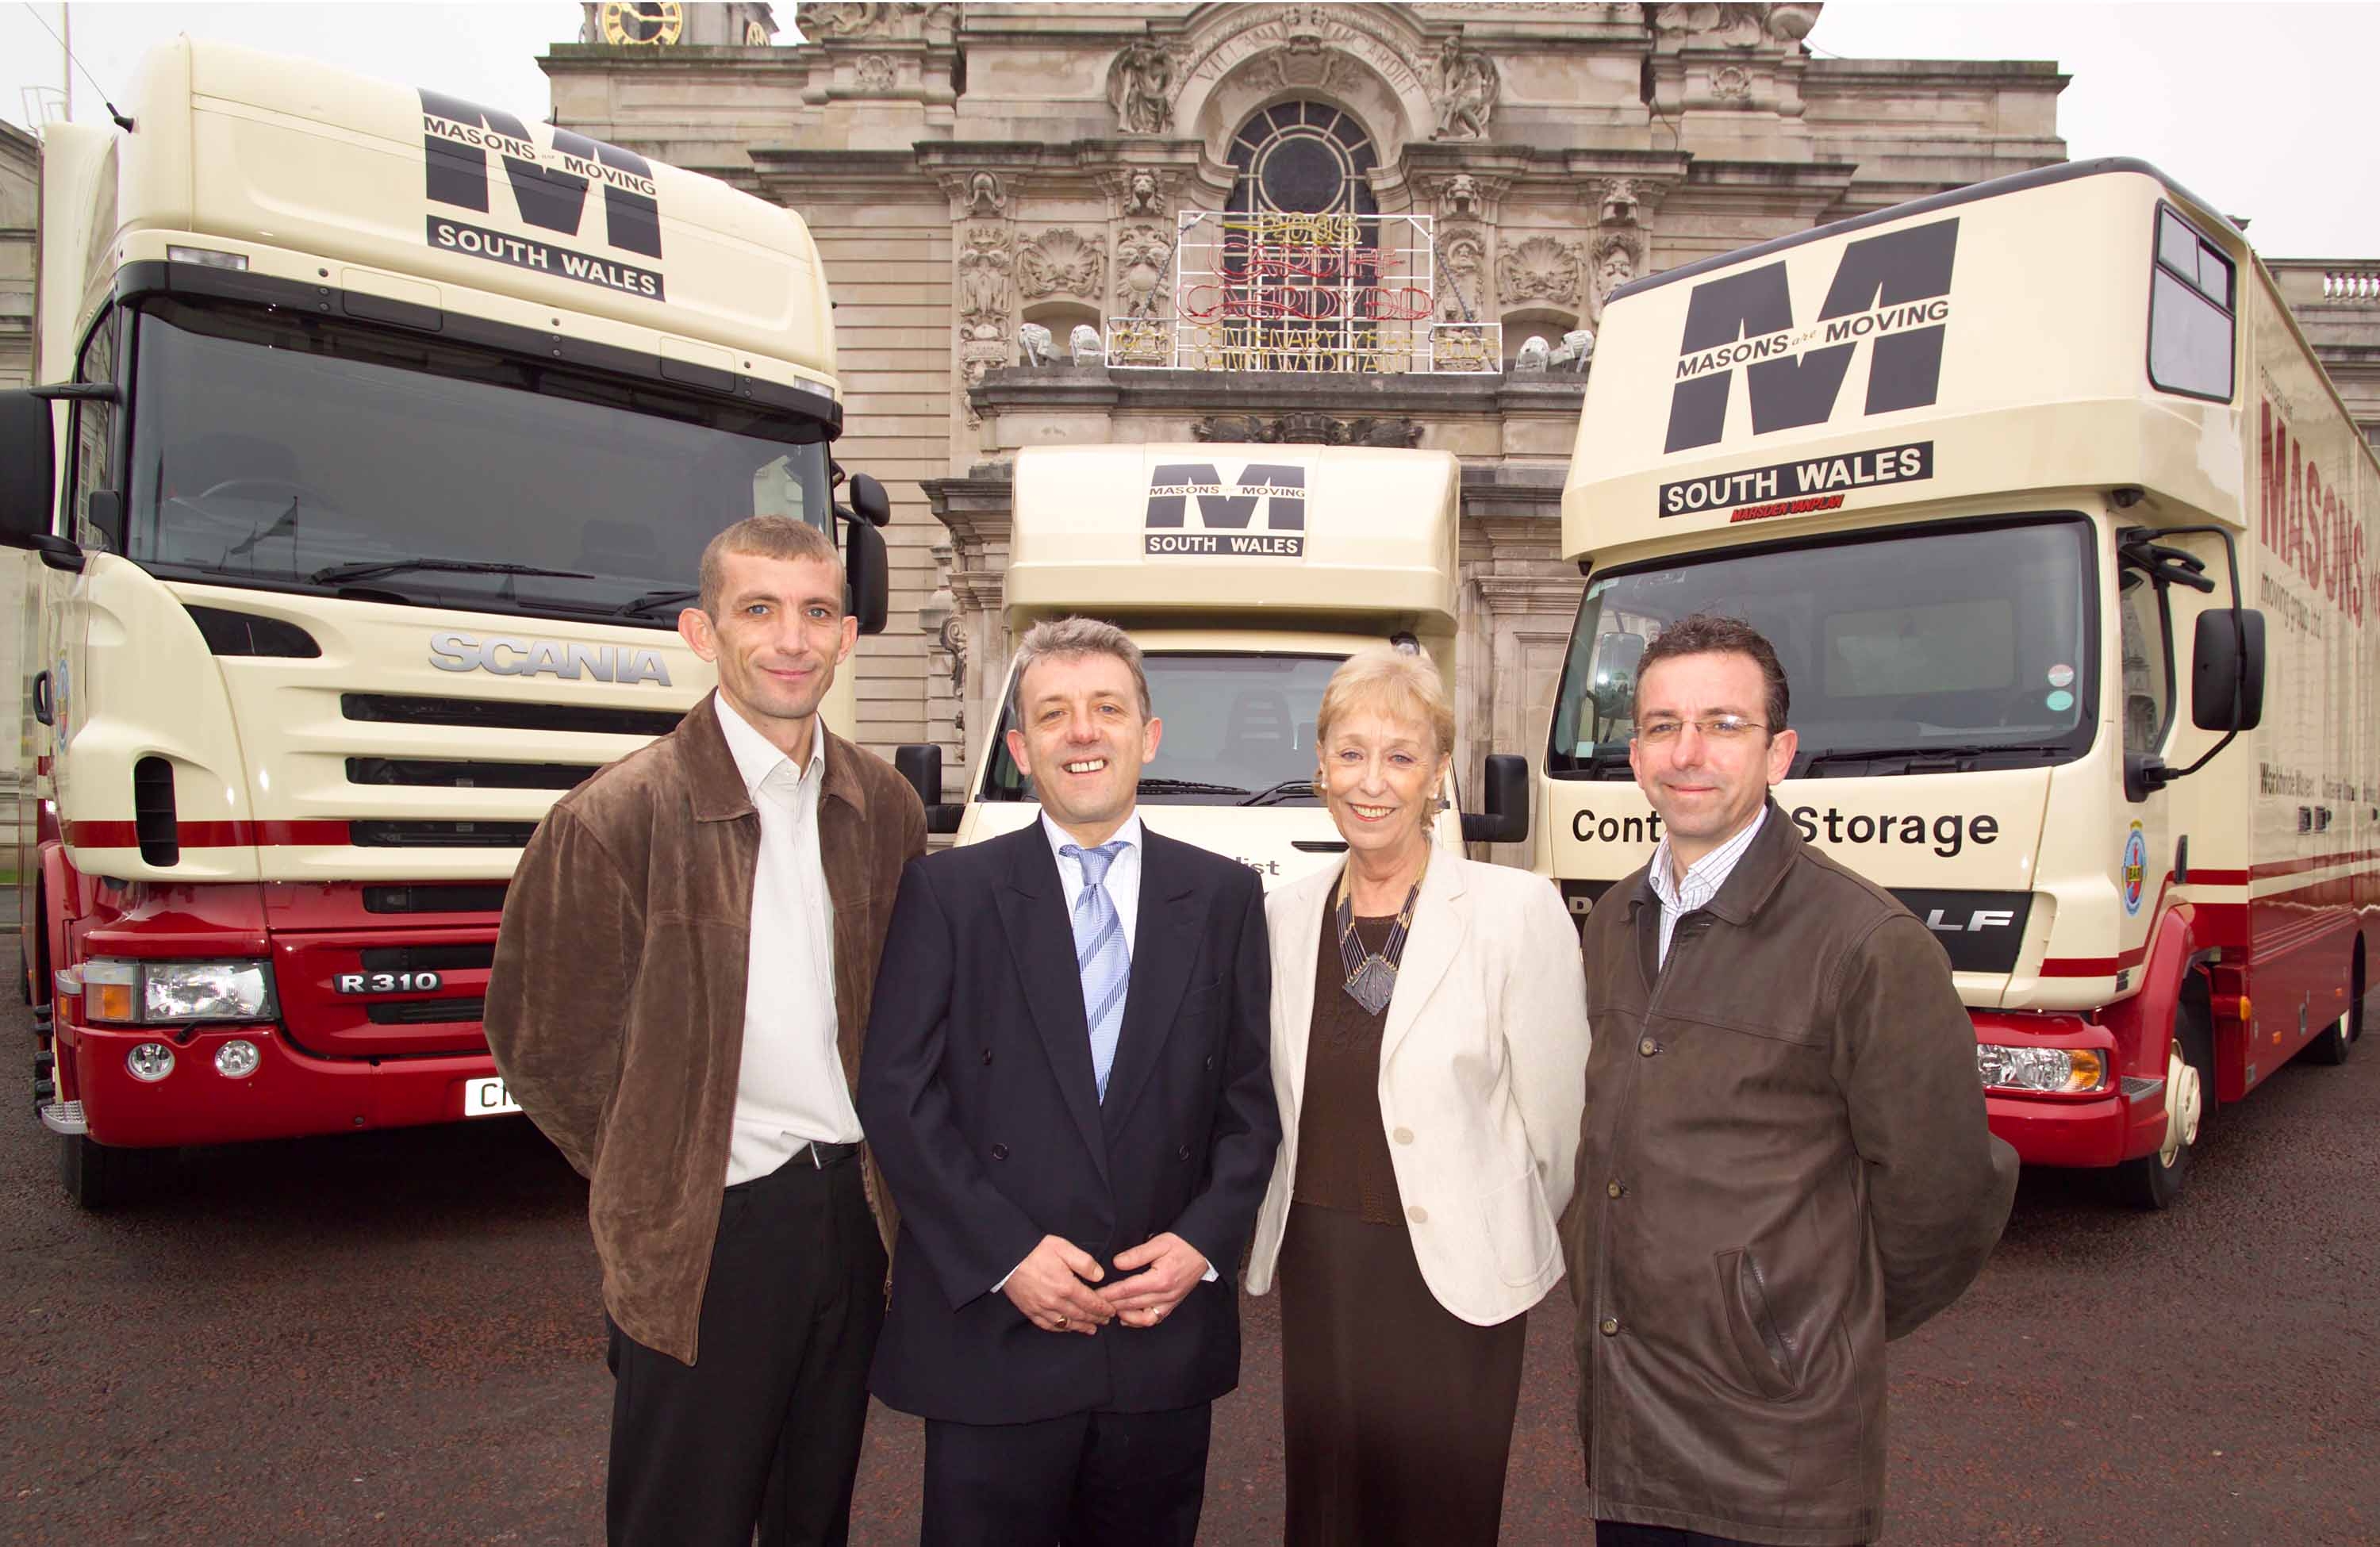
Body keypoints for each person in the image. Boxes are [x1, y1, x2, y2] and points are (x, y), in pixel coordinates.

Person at [483, 515, 927, 1547]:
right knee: (685, 1519)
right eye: (758, 609)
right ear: (701, 630)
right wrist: (663, 1164)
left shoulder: (886, 808)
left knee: (812, 1514)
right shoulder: (616, 816)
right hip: (706, 1230)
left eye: (816, 611)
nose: (791, 637)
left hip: (852, 1219)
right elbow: (539, 1041)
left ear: (847, 635)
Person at [1562, 612, 2019, 1547]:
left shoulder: (1865, 944)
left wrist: (1792, 1325)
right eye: (1661, 726)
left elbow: (1944, 1196)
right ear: (1638, 757)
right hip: (1628, 1436)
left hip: (1778, 1454)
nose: (1689, 752)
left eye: (1724, 725)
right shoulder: (1612, 921)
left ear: (1780, 755)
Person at [858, 616, 1279, 1547]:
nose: (1082, 733)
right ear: (1020, 747)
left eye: (1106, 709)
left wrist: (1201, 1245)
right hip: (993, 1334)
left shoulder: (1221, 898)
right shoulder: (948, 893)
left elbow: (1251, 1105)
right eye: (1054, 714)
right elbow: (897, 1093)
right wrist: (1007, 1255)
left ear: (1149, 734)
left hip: (1155, 1327)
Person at [1245, 646, 1591, 1545]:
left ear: (1439, 773)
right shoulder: (1283, 916)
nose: (1372, 782)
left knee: (1439, 1513)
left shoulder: (1518, 911)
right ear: (1319, 765)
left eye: (1400, 756)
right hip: (1323, 1265)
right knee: (1327, 1513)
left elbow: (1557, 1125)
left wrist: (1494, 1217)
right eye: (1350, 753)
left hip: (1453, 1281)